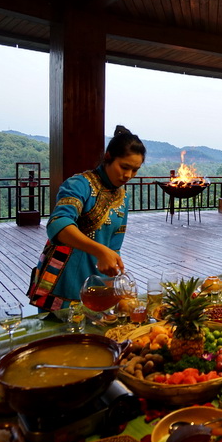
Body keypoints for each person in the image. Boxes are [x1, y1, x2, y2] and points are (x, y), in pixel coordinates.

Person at [27, 125, 146, 311]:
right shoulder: (80, 184)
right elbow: (58, 224)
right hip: (63, 278)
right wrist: (100, 251)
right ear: (108, 157)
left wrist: (114, 282)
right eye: (124, 167)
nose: (128, 175)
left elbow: (114, 246)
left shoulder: (123, 197)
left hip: (97, 283)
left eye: (135, 170)